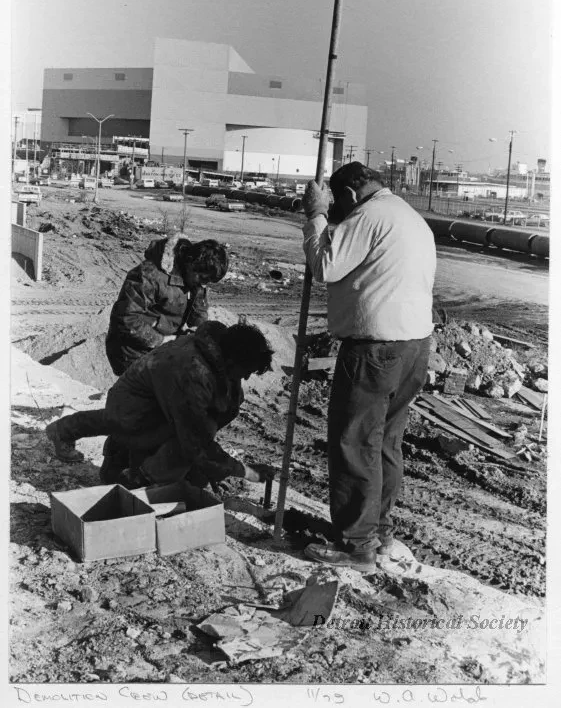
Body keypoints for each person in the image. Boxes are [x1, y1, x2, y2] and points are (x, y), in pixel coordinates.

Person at [301, 162, 436, 573]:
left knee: (355, 442)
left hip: (376, 349)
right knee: (384, 444)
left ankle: (356, 545)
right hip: (414, 346)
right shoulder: (409, 218)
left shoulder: (368, 215)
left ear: (349, 196)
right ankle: (379, 533)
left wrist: (315, 215)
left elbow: (324, 265)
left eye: (338, 204)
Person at [46, 320, 276, 488]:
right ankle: (133, 475)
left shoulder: (215, 355)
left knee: (194, 455)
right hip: (134, 407)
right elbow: (195, 441)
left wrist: (215, 467)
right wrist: (245, 471)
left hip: (157, 406)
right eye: (246, 370)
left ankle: (129, 460)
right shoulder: (192, 372)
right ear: (231, 359)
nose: (245, 378)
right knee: (177, 443)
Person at [105, 234, 229, 376]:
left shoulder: (196, 276)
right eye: (202, 278)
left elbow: (199, 310)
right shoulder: (149, 275)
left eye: (207, 281)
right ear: (190, 263)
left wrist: (198, 329)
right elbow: (126, 319)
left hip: (165, 347)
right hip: (133, 350)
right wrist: (161, 340)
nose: (203, 284)